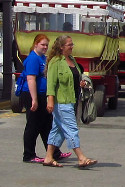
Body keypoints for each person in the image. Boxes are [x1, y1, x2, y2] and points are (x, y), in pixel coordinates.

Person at [41, 35, 97, 168]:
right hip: (61, 102)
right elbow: (51, 83)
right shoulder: (55, 62)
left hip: (72, 99)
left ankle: (48, 157)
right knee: (71, 129)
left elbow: (74, 76)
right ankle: (81, 157)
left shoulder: (71, 59)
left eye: (72, 44)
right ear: (61, 47)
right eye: (69, 45)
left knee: (58, 130)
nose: (72, 47)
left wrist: (80, 83)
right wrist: (50, 101)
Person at [21, 34, 65, 163]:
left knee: (47, 125)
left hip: (42, 95)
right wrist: (34, 99)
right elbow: (31, 79)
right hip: (32, 95)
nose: (45, 47)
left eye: (46, 45)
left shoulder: (42, 58)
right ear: (35, 44)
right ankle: (28, 155)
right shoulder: (33, 59)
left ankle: (53, 153)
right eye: (42, 45)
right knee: (33, 125)